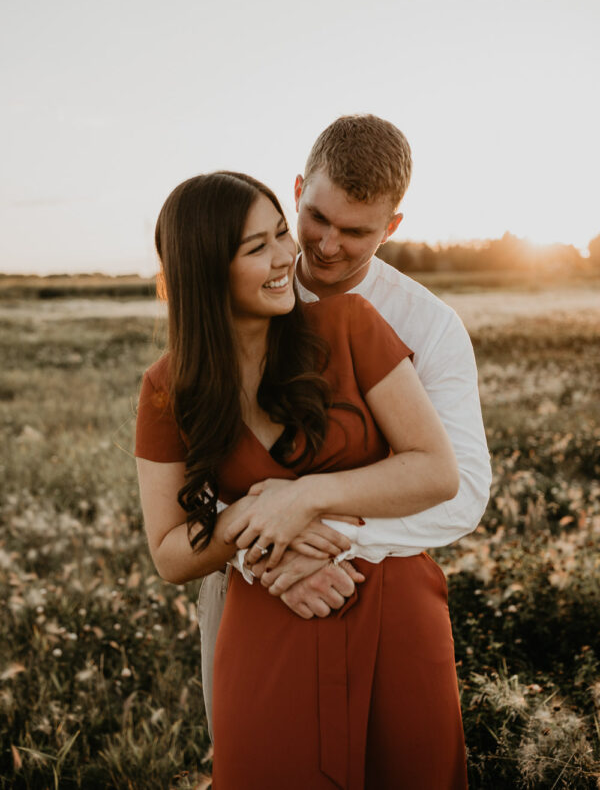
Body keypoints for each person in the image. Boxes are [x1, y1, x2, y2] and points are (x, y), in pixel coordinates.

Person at [136, 170, 470, 788]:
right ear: (205, 269)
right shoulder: (167, 388)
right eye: (256, 247)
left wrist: (304, 499)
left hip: (392, 609)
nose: (286, 256)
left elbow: (437, 470)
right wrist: (253, 523)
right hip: (268, 621)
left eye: (281, 234)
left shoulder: (350, 326)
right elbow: (168, 552)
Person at [198, 114, 492, 734]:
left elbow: (462, 492)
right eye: (317, 218)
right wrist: (263, 558)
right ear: (297, 189)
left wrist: (312, 526)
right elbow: (192, 474)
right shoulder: (228, 305)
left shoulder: (430, 327)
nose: (328, 246)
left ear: (392, 227)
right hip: (250, 587)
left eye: (356, 232)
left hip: (379, 590)